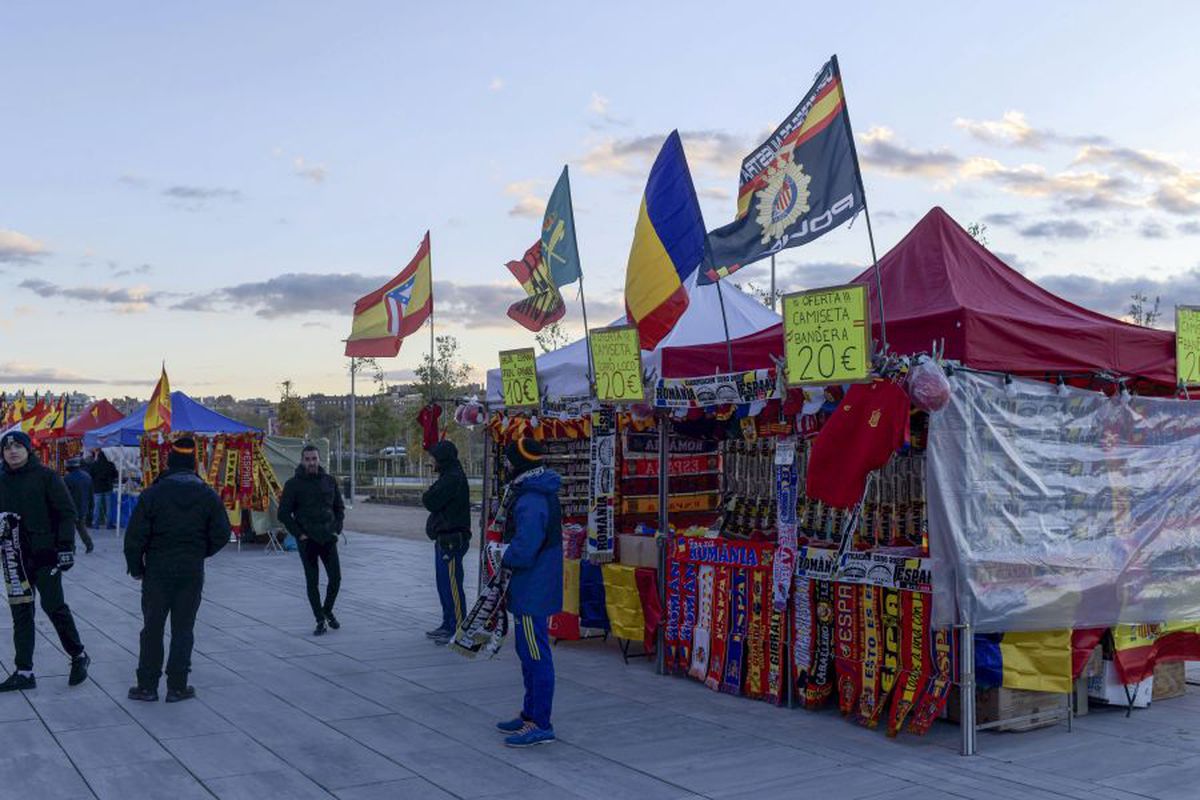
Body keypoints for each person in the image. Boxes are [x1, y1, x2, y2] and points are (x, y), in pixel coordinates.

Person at [124, 437, 229, 702]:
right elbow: (222, 533)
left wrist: (136, 567)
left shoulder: (153, 494)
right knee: (183, 628)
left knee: (152, 628)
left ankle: (147, 686)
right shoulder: (207, 495)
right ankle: (177, 686)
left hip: (157, 570)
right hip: (190, 570)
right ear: (194, 464)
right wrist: (200, 551)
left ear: (169, 462)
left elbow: (135, 536)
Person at [0, 431, 90, 692]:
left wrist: (66, 548)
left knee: (53, 606)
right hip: (14, 557)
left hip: (46, 555)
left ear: (28, 449)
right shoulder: (1, 480)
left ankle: (78, 655)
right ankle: (24, 672)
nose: (12, 451)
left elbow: (67, 513)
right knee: (21, 612)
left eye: (18, 446)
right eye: (7, 448)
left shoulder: (47, 477)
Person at [494, 437, 562, 747]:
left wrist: (500, 553)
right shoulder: (533, 490)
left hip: (533, 587)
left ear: (519, 463)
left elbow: (525, 548)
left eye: (509, 459)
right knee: (527, 652)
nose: (506, 464)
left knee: (535, 654)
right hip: (532, 585)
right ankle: (530, 713)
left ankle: (541, 723)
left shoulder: (532, 498)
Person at [278, 445, 344, 636]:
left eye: (314, 459)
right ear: (302, 461)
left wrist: (337, 526)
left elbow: (339, 507)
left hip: (328, 538)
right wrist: (299, 534)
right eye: (307, 459)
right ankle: (320, 620)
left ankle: (327, 610)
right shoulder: (293, 485)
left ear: (319, 459)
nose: (311, 463)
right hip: (307, 540)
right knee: (312, 581)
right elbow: (283, 513)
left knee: (336, 578)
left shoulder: (329, 481)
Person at [420, 441, 471, 645]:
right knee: (444, 584)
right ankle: (448, 623)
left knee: (452, 585)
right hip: (444, 539)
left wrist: (429, 495)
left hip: (452, 540)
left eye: (434, 457)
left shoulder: (452, 478)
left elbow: (430, 500)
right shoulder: (448, 476)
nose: (431, 461)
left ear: (442, 458)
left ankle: (458, 627)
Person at [63, 458, 95, 553]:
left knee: (70, 529)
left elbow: (64, 495)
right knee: (81, 527)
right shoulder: (87, 477)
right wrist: (91, 506)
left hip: (71, 507)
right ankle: (89, 544)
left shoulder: (67, 478)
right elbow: (91, 493)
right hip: (83, 506)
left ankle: (72, 547)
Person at [89, 449, 118, 529]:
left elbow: (90, 474)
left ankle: (95, 524)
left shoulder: (94, 465)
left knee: (96, 507)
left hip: (97, 488)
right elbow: (116, 474)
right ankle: (108, 524)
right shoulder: (110, 464)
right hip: (108, 488)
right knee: (109, 507)